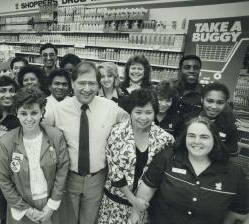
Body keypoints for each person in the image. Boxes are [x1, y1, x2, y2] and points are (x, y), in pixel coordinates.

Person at [44, 61, 129, 224]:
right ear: (72, 84)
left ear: (98, 85)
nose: (87, 88)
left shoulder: (111, 108)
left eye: (92, 83)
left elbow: (134, 123)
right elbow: (37, 132)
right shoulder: (58, 110)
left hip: (97, 179)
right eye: (82, 83)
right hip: (69, 179)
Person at [131, 117, 248, 224]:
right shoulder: (167, 158)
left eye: (204, 137)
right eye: (191, 135)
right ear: (184, 137)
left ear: (215, 140)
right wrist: (137, 215)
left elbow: (239, 214)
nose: (197, 141)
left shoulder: (234, 174)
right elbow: (144, 195)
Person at [97, 89, 174, 224]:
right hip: (114, 204)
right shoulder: (117, 131)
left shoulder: (164, 139)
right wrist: (133, 201)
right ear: (130, 112)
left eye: (148, 113)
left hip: (144, 207)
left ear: (155, 112)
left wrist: (138, 206)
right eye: (138, 112)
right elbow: (115, 171)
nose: (143, 117)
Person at [0, 86, 69, 224]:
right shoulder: (7, 142)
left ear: (42, 112)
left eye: (34, 112)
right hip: (21, 205)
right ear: (16, 113)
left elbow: (62, 170)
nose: (29, 119)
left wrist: (52, 205)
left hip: (51, 203)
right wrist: (27, 210)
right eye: (24, 113)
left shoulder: (55, 136)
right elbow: (4, 179)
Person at [186, 82, 239, 156]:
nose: (214, 106)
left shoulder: (230, 127)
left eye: (220, 103)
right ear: (202, 99)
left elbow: (232, 151)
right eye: (210, 101)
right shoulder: (186, 119)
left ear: (225, 103)